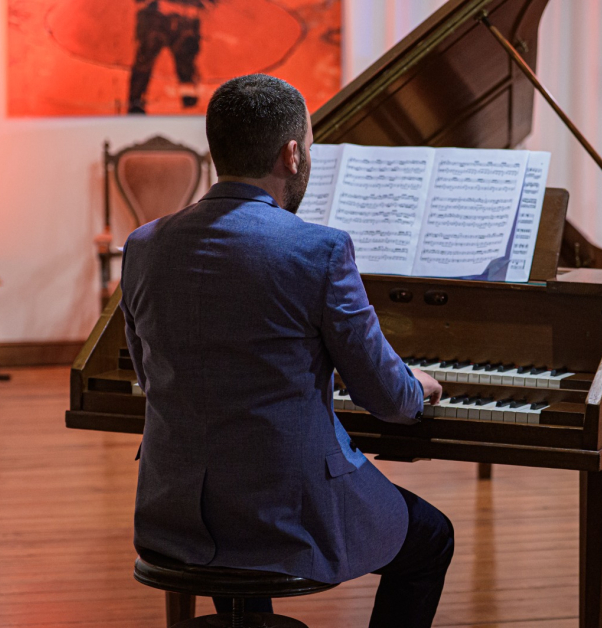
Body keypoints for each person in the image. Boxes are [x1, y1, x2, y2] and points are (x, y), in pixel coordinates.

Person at [120, 74, 453, 627]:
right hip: (286, 513)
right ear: (292, 153)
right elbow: (387, 399)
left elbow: (153, 379)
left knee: (241, 523)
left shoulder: (144, 245)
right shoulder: (318, 250)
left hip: (174, 509)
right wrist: (418, 386)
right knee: (430, 538)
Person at [127, 0, 217, 114]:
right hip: (154, 16)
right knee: (144, 62)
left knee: (186, 68)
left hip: (185, 18)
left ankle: (191, 108)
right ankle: (135, 105)